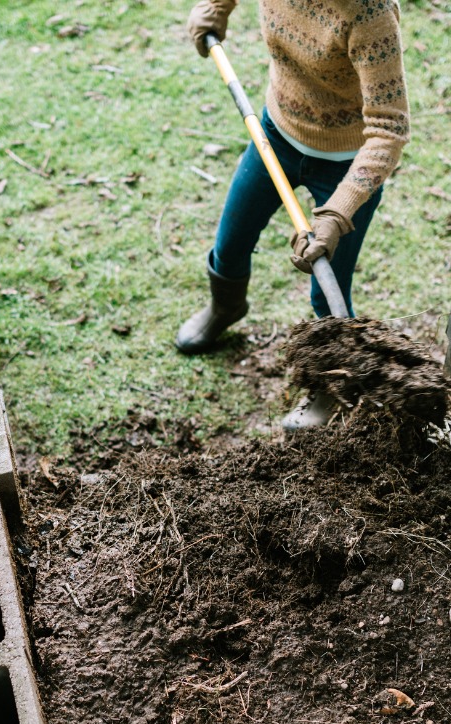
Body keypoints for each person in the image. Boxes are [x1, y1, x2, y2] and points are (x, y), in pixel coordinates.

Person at [177, 0, 410, 428]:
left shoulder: (370, 15)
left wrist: (338, 213)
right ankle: (225, 308)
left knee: (328, 292)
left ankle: (329, 384)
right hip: (275, 135)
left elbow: (390, 129)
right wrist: (215, 6)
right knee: (230, 244)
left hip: (345, 163)